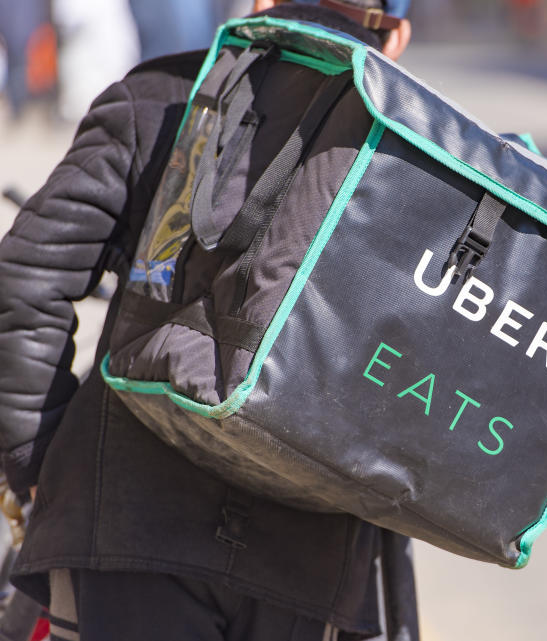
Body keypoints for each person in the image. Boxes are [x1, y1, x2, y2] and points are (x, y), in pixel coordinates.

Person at [0, 1, 418, 639]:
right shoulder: (424, 167)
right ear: (395, 36)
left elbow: (24, 284)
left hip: (123, 530)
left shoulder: (163, 97)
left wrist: (36, 460)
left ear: (256, 3)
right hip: (309, 569)